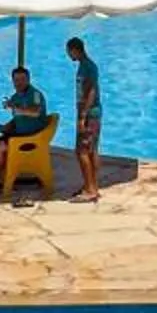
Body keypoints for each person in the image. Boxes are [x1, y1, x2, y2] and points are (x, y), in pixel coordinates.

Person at [0, 64, 52, 177]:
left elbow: (35, 112)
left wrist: (15, 108)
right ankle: (2, 173)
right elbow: (17, 119)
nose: (19, 83)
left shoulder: (35, 94)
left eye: (22, 79)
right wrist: (6, 127)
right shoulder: (15, 97)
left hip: (32, 137)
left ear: (28, 80)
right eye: (16, 80)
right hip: (20, 134)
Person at [65, 36, 104, 202]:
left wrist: (82, 115)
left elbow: (92, 91)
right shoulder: (84, 66)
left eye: (69, 52)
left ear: (75, 49)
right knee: (91, 150)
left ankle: (90, 189)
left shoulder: (88, 67)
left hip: (89, 114)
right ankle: (92, 185)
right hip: (90, 113)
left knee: (81, 151)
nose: (68, 55)